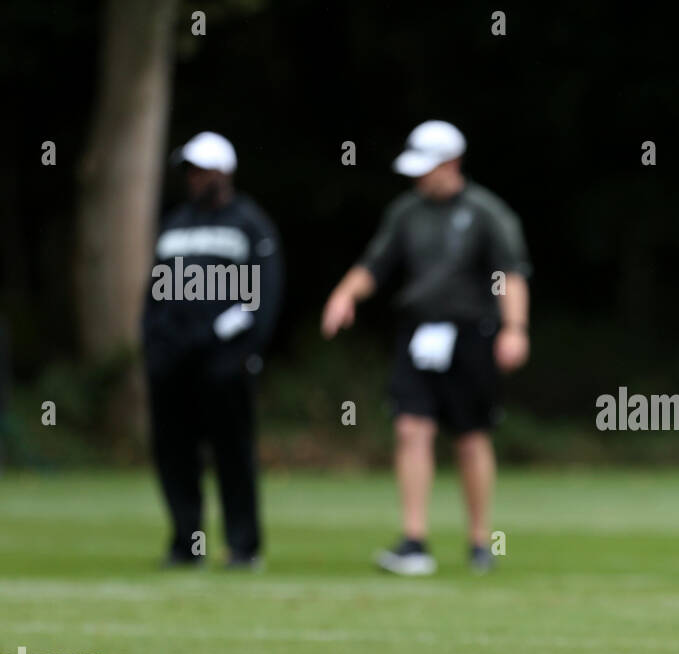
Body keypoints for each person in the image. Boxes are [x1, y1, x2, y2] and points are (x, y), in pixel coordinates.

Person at [321, 121, 531, 575]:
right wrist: (344, 295)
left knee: (472, 437)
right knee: (410, 429)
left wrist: (514, 327)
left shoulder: (485, 212)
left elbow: (510, 273)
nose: (418, 177)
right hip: (419, 332)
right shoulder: (406, 212)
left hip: (472, 334)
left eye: (427, 168)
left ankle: (479, 543)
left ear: (452, 163)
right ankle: (414, 540)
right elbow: (374, 264)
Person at [142, 131, 283, 568]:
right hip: (174, 361)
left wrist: (240, 346)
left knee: (232, 453)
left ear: (224, 172)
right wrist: (153, 346)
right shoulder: (176, 224)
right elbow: (154, 293)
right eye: (190, 171)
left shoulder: (250, 224)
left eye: (203, 170)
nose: (195, 179)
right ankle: (187, 544)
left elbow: (265, 292)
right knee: (175, 454)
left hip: (224, 362)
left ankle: (243, 546)